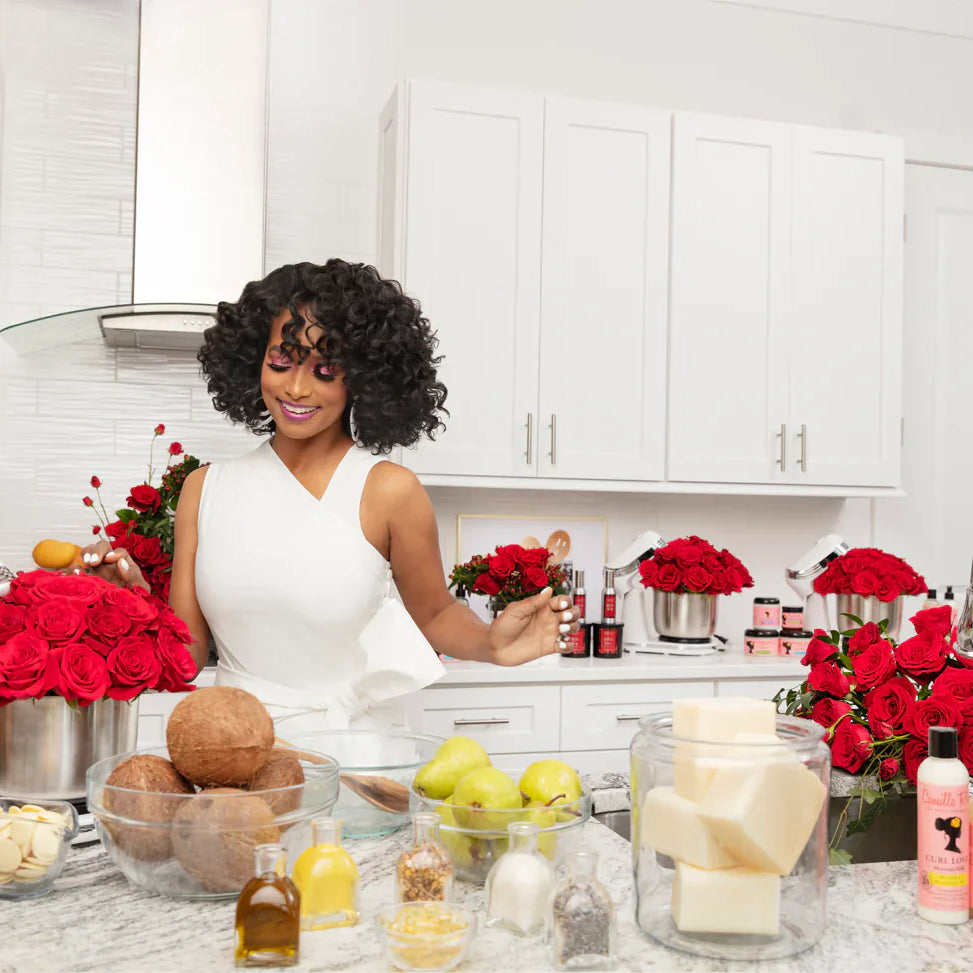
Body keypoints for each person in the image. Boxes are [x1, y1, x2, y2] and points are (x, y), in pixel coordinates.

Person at [82, 260, 580, 728]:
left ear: (362, 379)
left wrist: (492, 644)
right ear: (255, 360)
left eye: (326, 369)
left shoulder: (389, 490)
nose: (297, 388)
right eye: (282, 361)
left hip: (351, 757)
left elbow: (434, 613)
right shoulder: (204, 489)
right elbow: (187, 655)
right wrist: (131, 599)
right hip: (231, 749)